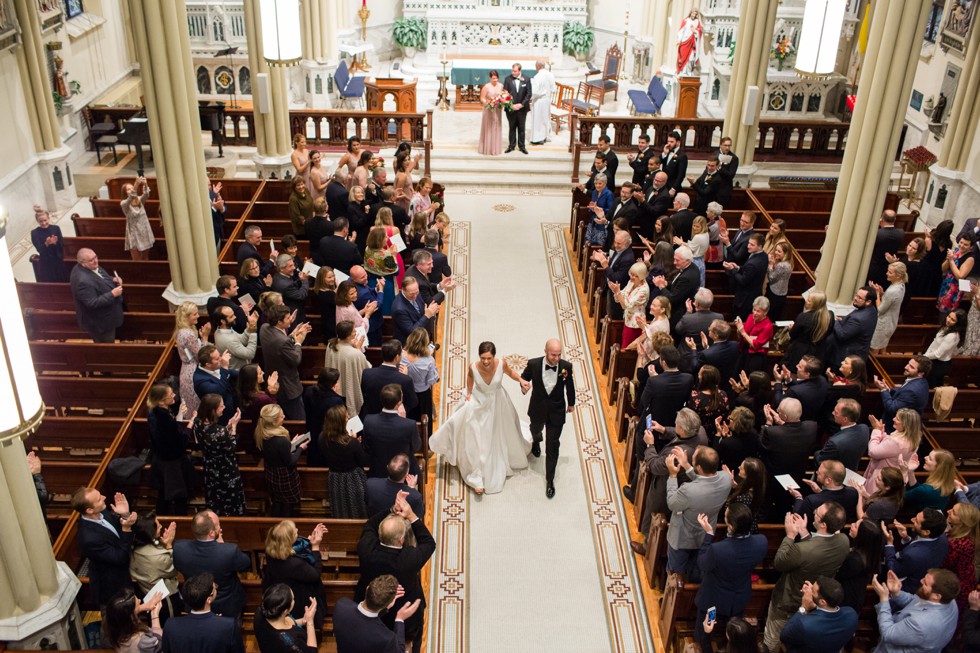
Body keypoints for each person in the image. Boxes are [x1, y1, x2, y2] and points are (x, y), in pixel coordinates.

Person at [430, 342, 531, 495]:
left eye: (489, 358)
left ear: (494, 356)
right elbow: (470, 379)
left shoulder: (501, 364)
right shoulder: (473, 367)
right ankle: (476, 474)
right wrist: (469, 393)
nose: (485, 361)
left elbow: (511, 373)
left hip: (498, 401)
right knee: (475, 434)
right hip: (479, 402)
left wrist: (521, 380)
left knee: (501, 433)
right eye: (483, 358)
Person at [762, 502, 850, 653]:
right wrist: (804, 533)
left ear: (823, 524)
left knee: (773, 639)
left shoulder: (801, 549)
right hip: (814, 603)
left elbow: (780, 562)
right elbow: (816, 550)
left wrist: (790, 535)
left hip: (788, 601)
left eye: (817, 513)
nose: (814, 512)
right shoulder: (843, 541)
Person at [355, 492, 435, 653]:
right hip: (404, 611)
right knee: (410, 639)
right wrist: (411, 515)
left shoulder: (366, 550)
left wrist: (391, 509)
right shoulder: (408, 559)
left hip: (372, 607)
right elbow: (428, 543)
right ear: (401, 540)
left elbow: (370, 524)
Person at [691, 502, 767, 652]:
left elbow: (703, 564)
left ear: (731, 526)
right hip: (738, 598)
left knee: (704, 634)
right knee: (734, 633)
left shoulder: (718, 550)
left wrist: (708, 535)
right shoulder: (761, 542)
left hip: (713, 600)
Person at [664, 445, 732, 581]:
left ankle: (671, 598)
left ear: (699, 468)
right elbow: (705, 481)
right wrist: (687, 465)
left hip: (682, 537)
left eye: (693, 460)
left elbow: (672, 503)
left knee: (675, 572)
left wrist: (672, 475)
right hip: (704, 535)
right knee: (695, 570)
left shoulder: (688, 490)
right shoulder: (726, 479)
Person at [520, 338, 577, 498]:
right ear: (545, 351)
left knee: (553, 446)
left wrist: (571, 403)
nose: (557, 358)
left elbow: (570, 384)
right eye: (553, 355)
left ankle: (550, 480)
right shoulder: (534, 364)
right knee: (535, 430)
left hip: (557, 412)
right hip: (537, 408)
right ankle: (536, 441)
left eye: (559, 355)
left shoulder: (566, 367)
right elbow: (524, 378)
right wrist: (524, 387)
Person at [173, 511, 250, 618]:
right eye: (218, 525)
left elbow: (178, 566)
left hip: (195, 604)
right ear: (212, 533)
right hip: (226, 606)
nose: (220, 528)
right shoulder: (229, 551)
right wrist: (222, 545)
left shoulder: (179, 548)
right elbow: (245, 565)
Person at [72, 487, 137, 608]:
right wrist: (126, 529)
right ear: (89, 510)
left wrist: (125, 515)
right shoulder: (88, 538)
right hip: (112, 586)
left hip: (124, 573)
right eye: (99, 499)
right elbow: (120, 558)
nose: (104, 497)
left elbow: (120, 525)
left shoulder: (102, 513)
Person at [262, 521, 327, 637]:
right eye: (294, 532)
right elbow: (315, 575)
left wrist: (308, 542)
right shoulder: (295, 564)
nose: (297, 530)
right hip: (298, 596)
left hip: (279, 587)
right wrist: (315, 547)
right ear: (287, 541)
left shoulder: (271, 550)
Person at [872, 568, 960, 653]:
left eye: (925, 583)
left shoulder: (920, 624)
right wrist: (896, 593)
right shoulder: (949, 600)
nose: (921, 581)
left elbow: (888, 634)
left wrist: (884, 599)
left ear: (937, 596)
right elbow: (916, 602)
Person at [758, 398, 818, 515]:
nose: (777, 412)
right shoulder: (812, 427)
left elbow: (761, 444)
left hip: (775, 478)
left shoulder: (772, 433)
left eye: (778, 411)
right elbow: (793, 429)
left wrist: (768, 423)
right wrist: (784, 423)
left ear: (784, 416)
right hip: (798, 474)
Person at [333, 575, 419, 653]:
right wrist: (399, 619)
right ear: (389, 604)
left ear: (367, 588)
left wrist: (383, 607)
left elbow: (362, 620)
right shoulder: (386, 638)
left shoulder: (341, 605)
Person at [161, 572, 244, 653]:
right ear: (208, 599)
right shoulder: (229, 626)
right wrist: (219, 622)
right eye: (215, 589)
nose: (216, 590)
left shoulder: (170, 625)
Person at [193, 394, 245, 516]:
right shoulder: (219, 431)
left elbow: (216, 440)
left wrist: (227, 427)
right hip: (225, 469)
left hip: (210, 467)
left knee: (215, 498)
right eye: (221, 406)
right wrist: (234, 427)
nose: (224, 407)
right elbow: (231, 447)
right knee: (229, 499)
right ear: (213, 410)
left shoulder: (197, 423)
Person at [146, 384, 194, 515]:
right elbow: (181, 442)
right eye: (170, 395)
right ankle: (180, 523)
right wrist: (190, 424)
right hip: (173, 463)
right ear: (161, 401)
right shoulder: (166, 420)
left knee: (162, 494)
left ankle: (161, 520)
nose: (174, 395)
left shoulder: (153, 412)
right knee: (180, 496)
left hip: (160, 459)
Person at [260, 304, 312, 421]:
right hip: (288, 386)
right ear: (279, 322)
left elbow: (280, 346)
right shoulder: (282, 341)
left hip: (273, 381)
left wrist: (292, 335)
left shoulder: (264, 328)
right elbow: (295, 359)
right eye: (288, 318)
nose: (291, 320)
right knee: (299, 419)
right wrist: (298, 342)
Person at [780, 577, 858, 653]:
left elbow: (784, 636)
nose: (810, 590)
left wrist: (803, 607)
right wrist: (814, 592)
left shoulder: (804, 624)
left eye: (812, 590)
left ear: (822, 602)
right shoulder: (851, 614)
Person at [317, 403, 369, 516]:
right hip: (353, 477)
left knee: (340, 506)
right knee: (356, 506)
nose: (348, 418)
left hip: (335, 477)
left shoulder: (322, 437)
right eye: (346, 417)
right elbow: (362, 461)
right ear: (341, 422)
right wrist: (355, 441)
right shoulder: (352, 443)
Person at [884, 508, 950, 595]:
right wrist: (906, 538)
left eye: (916, 521)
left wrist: (889, 544)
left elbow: (893, 570)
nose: (912, 519)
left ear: (926, 532)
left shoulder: (913, 555)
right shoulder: (942, 537)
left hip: (904, 590)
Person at [256, 404, 306, 517]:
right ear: (273, 422)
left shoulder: (263, 433)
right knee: (287, 503)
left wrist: (291, 444)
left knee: (278, 500)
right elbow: (290, 462)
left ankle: (276, 522)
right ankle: (285, 525)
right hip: (284, 476)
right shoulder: (280, 440)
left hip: (272, 472)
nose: (284, 416)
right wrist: (301, 448)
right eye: (280, 416)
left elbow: (279, 453)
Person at [362, 384, 421, 478]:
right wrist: (403, 420)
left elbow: (366, 447)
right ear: (399, 403)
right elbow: (416, 447)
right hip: (403, 472)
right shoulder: (409, 425)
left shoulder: (368, 420)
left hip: (378, 470)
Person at [129, 515, 180, 621]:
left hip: (146, 592)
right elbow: (173, 570)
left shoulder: (134, 548)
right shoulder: (157, 556)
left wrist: (163, 544)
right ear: (150, 532)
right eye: (158, 525)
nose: (161, 526)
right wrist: (169, 546)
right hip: (165, 598)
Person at [70, 248, 124, 342]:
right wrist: (112, 294)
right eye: (91, 260)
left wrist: (112, 279)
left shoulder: (90, 267)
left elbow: (99, 279)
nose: (96, 261)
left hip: (107, 316)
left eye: (96, 257)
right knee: (106, 349)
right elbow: (92, 302)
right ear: (83, 263)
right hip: (100, 323)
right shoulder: (83, 281)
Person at [864, 409, 922, 495]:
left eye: (897, 419)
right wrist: (882, 434)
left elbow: (873, 452)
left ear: (906, 424)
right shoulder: (913, 438)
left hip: (882, 480)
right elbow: (890, 449)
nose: (893, 419)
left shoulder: (897, 442)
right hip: (894, 479)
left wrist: (876, 431)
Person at [835, 519, 885, 614]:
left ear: (862, 536)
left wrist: (836, 541)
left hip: (845, 603)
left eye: (856, 526)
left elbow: (837, 574)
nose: (852, 524)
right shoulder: (870, 553)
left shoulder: (855, 560)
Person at [788, 459, 859, 524]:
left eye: (819, 472)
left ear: (828, 480)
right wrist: (820, 491)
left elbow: (797, 519)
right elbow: (831, 497)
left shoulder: (812, 501)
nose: (817, 472)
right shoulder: (853, 493)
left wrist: (798, 497)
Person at [360, 339, 419, 417]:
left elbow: (364, 395)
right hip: (394, 420)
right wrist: (404, 376)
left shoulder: (367, 373)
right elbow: (413, 402)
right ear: (397, 357)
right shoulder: (405, 380)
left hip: (370, 418)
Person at [253, 583, 317, 653]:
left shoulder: (260, 613)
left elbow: (286, 623)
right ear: (285, 611)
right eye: (293, 599)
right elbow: (312, 651)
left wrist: (303, 621)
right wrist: (310, 622)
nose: (294, 600)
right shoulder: (289, 641)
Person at [323, 321, 370, 416]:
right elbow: (368, 367)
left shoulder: (331, 345)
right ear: (348, 336)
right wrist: (358, 349)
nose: (355, 332)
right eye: (353, 331)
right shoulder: (354, 354)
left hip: (334, 388)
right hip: (347, 392)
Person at [303, 368, 345, 466]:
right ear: (333, 385)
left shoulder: (309, 391)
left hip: (312, 431)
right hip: (329, 436)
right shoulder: (336, 401)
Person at [826, 286, 879, 363]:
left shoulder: (859, 319)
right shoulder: (872, 310)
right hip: (858, 352)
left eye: (859, 298)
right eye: (856, 295)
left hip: (845, 356)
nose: (855, 298)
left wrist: (835, 321)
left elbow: (842, 335)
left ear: (868, 302)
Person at [652, 246, 700, 330]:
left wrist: (661, 286)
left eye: (677, 260)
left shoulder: (687, 277)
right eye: (674, 259)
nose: (674, 262)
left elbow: (673, 299)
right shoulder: (691, 267)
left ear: (687, 260)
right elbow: (677, 285)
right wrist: (666, 283)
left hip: (679, 313)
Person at [814, 398, 869, 472]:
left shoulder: (834, 443)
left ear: (845, 419)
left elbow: (820, 460)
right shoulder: (864, 428)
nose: (833, 413)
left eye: (836, 412)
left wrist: (816, 453)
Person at [783, 291, 834, 368]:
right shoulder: (830, 316)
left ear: (816, 304)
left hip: (800, 353)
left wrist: (791, 328)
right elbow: (829, 332)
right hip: (819, 354)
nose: (806, 301)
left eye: (809, 300)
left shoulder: (803, 317)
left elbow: (792, 334)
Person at [103, 588, 164, 653]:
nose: (140, 600)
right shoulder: (141, 641)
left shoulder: (112, 624)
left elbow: (125, 612)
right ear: (131, 616)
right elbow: (159, 645)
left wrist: (143, 607)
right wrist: (155, 616)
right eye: (138, 603)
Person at [593, 230, 637, 320]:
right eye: (615, 242)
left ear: (627, 243)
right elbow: (614, 264)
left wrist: (605, 265)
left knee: (612, 315)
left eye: (619, 243)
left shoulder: (628, 258)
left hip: (617, 292)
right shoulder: (620, 249)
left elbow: (616, 278)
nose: (616, 245)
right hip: (609, 286)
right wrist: (605, 257)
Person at [175, 302, 209, 415]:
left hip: (185, 370)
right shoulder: (188, 334)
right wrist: (205, 337)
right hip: (193, 374)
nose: (198, 316)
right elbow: (202, 356)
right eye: (195, 314)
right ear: (186, 316)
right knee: (196, 411)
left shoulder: (181, 331)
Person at [773, 355, 830, 423]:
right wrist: (789, 380)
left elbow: (779, 403)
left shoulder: (795, 391)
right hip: (816, 421)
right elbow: (804, 387)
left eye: (800, 367)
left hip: (798, 423)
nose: (796, 366)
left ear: (807, 374)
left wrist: (778, 381)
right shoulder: (822, 379)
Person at [366, 454, 425, 519]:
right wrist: (411, 489)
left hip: (374, 525)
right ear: (406, 473)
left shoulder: (370, 484)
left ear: (387, 467)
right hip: (400, 528)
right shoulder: (415, 497)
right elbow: (419, 516)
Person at [724, 233, 768, 320]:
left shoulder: (754, 263)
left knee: (739, 320)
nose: (748, 246)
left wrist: (733, 269)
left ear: (760, 246)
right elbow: (748, 271)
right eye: (749, 243)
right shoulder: (764, 255)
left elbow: (743, 280)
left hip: (745, 299)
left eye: (752, 244)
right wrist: (737, 267)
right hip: (754, 294)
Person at [945, 501, 980, 610]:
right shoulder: (967, 535)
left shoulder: (958, 545)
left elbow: (943, 566)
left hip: (955, 589)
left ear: (961, 521)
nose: (948, 511)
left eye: (953, 512)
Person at [193, 345, 239, 424]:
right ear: (208, 364)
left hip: (231, 410)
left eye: (220, 356)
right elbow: (220, 391)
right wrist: (225, 367)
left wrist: (248, 372)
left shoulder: (213, 366)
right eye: (217, 359)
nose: (221, 359)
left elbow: (229, 373)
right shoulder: (200, 380)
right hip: (220, 419)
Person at [401, 327, 439, 424]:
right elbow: (431, 381)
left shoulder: (401, 354)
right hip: (422, 395)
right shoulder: (429, 360)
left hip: (405, 392)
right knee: (424, 422)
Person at [237, 364, 278, 451]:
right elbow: (274, 412)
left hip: (251, 433)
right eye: (260, 373)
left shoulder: (244, 393)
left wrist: (268, 391)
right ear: (253, 379)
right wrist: (273, 393)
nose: (263, 373)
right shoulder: (261, 399)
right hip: (263, 435)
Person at [609, 262, 650, 349]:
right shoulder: (631, 282)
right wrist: (616, 291)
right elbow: (621, 297)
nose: (632, 277)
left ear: (641, 276)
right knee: (624, 342)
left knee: (627, 347)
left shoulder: (644, 290)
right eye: (631, 274)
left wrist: (618, 292)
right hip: (628, 318)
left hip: (635, 323)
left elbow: (626, 304)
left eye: (635, 275)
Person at [901, 448, 956, 512]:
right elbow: (918, 491)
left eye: (930, 458)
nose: (925, 457)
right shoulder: (945, 485)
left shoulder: (927, 490)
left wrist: (904, 473)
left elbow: (898, 497)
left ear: (938, 467)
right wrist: (910, 472)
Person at [870, 262, 909, 354]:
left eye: (890, 272)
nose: (887, 273)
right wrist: (883, 294)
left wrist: (877, 294)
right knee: (882, 348)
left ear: (898, 275)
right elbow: (891, 302)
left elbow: (880, 309)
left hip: (883, 324)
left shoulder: (893, 290)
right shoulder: (901, 285)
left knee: (874, 350)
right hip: (891, 322)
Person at [924, 308, 968, 387]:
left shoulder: (952, 336)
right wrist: (926, 354)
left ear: (958, 323)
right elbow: (934, 342)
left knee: (932, 388)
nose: (948, 320)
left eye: (953, 320)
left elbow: (938, 354)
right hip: (933, 360)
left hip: (939, 364)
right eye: (949, 316)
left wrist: (923, 357)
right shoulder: (946, 327)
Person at [686, 365, 729, 439]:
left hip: (700, 436)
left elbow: (690, 421)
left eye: (699, 373)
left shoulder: (695, 399)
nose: (698, 375)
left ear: (703, 379)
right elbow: (726, 414)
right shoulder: (723, 394)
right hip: (718, 433)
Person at [734, 296, 774, 374]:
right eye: (754, 310)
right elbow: (742, 336)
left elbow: (756, 345)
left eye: (758, 311)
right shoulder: (750, 317)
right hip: (744, 351)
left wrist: (742, 332)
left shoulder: (768, 326)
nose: (754, 313)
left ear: (765, 312)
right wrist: (739, 330)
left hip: (756, 357)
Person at [937, 233, 976, 313]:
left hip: (954, 290)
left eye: (965, 244)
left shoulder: (970, 258)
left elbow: (960, 277)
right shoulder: (956, 251)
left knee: (945, 313)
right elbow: (943, 269)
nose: (961, 245)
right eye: (961, 242)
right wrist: (948, 259)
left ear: (971, 247)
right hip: (945, 284)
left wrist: (951, 261)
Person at [121, 177, 156, 260]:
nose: (131, 190)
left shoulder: (139, 199)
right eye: (128, 189)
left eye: (132, 188)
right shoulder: (124, 203)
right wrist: (136, 185)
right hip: (135, 233)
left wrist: (145, 184)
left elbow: (146, 194)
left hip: (144, 231)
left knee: (145, 257)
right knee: (137, 259)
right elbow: (131, 197)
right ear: (125, 193)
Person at [868, 210, 906, 286]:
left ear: (881, 219)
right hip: (890, 268)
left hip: (874, 267)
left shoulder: (877, 234)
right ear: (895, 219)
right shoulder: (901, 233)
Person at [213, 305, 258, 370]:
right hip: (238, 374)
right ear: (223, 321)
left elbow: (241, 340)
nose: (235, 317)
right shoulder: (229, 341)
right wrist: (253, 333)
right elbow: (249, 354)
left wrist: (250, 327)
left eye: (233, 314)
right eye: (231, 316)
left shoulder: (220, 330)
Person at [30, 205, 68, 282]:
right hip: (46, 263)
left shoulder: (56, 228)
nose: (44, 223)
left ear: (48, 218)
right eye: (41, 221)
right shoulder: (34, 233)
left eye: (45, 220)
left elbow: (62, 245)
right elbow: (39, 249)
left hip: (58, 260)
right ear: (37, 221)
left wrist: (55, 243)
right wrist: (46, 244)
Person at [502, 63, 531, 154]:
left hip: (522, 109)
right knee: (512, 127)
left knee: (522, 128)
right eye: (512, 71)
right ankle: (511, 146)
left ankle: (522, 146)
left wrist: (521, 104)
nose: (513, 73)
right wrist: (511, 105)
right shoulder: (507, 79)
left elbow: (529, 94)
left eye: (515, 71)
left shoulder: (526, 79)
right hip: (511, 108)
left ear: (520, 71)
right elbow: (504, 94)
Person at [477, 70, 505, 156]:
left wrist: (502, 101)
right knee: (489, 126)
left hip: (498, 109)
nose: (495, 80)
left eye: (496, 78)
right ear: (490, 78)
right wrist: (488, 103)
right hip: (489, 109)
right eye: (493, 78)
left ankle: (495, 148)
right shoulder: (486, 87)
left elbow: (503, 96)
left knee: (496, 126)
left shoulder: (501, 86)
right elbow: (482, 98)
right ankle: (487, 148)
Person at [584, 174, 615, 247]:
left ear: (605, 183)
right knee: (588, 241)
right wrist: (592, 208)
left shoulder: (609, 194)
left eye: (600, 183)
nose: (597, 185)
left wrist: (600, 209)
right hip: (593, 220)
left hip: (602, 221)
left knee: (598, 243)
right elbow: (593, 204)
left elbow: (611, 210)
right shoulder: (595, 192)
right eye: (596, 183)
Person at [767, 241, 794, 321]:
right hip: (781, 293)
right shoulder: (788, 263)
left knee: (771, 316)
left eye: (779, 251)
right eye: (776, 250)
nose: (776, 253)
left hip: (775, 294)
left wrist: (770, 265)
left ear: (786, 253)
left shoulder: (782, 265)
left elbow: (771, 277)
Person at [660, 130, 689, 195]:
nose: (669, 144)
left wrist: (673, 188)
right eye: (668, 141)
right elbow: (658, 162)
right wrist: (664, 153)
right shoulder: (667, 151)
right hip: (663, 186)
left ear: (678, 142)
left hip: (673, 188)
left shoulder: (682, 156)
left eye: (672, 142)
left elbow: (681, 175)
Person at [676, 8, 703, 75]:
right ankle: (683, 71)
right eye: (693, 13)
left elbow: (700, 31)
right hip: (684, 42)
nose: (694, 15)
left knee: (690, 58)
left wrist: (695, 31)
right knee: (683, 58)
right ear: (690, 13)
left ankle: (688, 72)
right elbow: (681, 31)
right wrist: (679, 40)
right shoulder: (685, 21)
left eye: (695, 14)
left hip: (692, 43)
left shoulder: (697, 22)